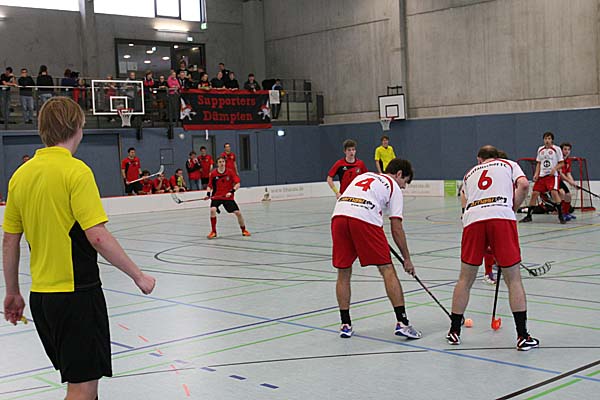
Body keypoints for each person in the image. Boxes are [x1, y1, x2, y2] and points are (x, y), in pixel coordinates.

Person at [2, 97, 156, 400]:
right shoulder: (76, 171)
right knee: (82, 389)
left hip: (42, 299)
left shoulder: (20, 176)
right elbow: (97, 236)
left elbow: (9, 240)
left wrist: (12, 292)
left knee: (84, 385)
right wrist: (138, 275)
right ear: (78, 128)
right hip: (76, 295)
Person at [447, 145, 539, 351]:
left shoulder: (470, 172)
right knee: (513, 279)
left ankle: (454, 331)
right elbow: (524, 185)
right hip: (501, 216)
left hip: (473, 220)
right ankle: (522, 336)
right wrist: (512, 207)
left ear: (480, 159)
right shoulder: (509, 164)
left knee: (465, 279)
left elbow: (464, 199)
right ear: (497, 157)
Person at [331, 158, 421, 339]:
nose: (404, 187)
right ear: (399, 174)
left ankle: (345, 324)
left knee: (343, 272)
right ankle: (402, 322)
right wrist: (407, 259)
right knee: (387, 269)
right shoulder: (393, 187)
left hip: (339, 216)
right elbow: (396, 228)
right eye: (405, 182)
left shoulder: (364, 176)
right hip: (364, 219)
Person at [520, 132, 565, 224]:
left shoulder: (556, 149)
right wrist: (536, 174)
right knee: (534, 194)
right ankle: (529, 216)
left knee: (554, 192)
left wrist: (554, 169)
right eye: (545, 139)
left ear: (552, 140)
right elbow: (539, 163)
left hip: (552, 176)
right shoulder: (540, 149)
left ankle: (561, 215)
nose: (547, 140)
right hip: (542, 176)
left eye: (549, 139)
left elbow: (562, 163)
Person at [205, 157, 251, 239]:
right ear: (217, 164)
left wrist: (231, 192)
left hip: (228, 197)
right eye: (220, 162)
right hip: (216, 196)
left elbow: (238, 184)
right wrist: (208, 194)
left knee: (238, 213)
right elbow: (209, 186)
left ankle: (244, 230)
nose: (222, 163)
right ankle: (213, 232)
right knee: (212, 210)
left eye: (223, 161)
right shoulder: (213, 173)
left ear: (225, 163)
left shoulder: (230, 172)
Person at [559, 142, 578, 221]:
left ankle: (566, 213)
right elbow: (561, 174)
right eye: (565, 149)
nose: (567, 151)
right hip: (554, 180)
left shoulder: (568, 161)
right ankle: (561, 214)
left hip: (560, 180)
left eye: (568, 150)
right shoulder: (559, 159)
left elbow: (568, 173)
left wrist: (573, 183)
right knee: (562, 193)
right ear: (561, 150)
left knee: (568, 195)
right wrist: (569, 182)